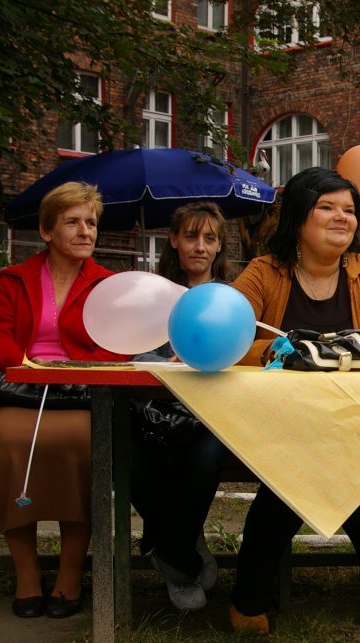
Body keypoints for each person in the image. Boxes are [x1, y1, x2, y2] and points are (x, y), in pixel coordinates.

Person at [228, 167, 360, 635]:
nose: (341, 218)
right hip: (274, 422)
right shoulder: (263, 272)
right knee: (314, 466)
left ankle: (249, 598)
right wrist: (279, 352)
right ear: (298, 218)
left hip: (355, 418)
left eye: (349, 210)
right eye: (327, 207)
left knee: (324, 466)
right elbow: (225, 339)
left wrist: (312, 355)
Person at [0, 181, 129, 618]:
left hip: (80, 401)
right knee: (8, 443)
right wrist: (29, 366)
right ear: (46, 231)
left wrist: (69, 373)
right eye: (72, 222)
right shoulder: (11, 281)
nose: (85, 232)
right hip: (17, 397)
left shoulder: (109, 287)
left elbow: (118, 347)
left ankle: (70, 573)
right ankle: (25, 573)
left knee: (81, 444)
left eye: (91, 223)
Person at [130, 202, 231, 612]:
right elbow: (129, 353)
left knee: (207, 455)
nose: (200, 247)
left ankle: (169, 549)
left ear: (220, 246)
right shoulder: (149, 297)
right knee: (132, 457)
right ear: (173, 240)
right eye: (191, 236)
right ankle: (185, 548)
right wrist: (162, 362)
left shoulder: (228, 299)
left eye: (210, 239)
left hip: (208, 418)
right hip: (150, 414)